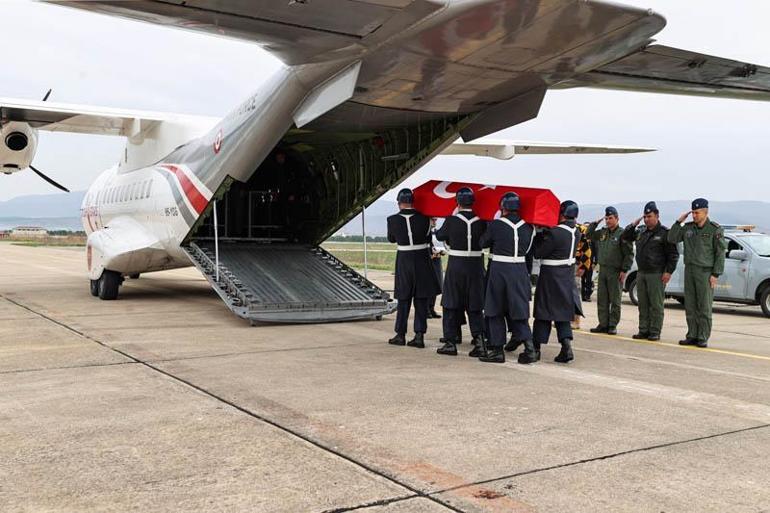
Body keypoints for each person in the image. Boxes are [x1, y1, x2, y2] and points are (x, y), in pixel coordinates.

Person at [478, 192, 536, 364]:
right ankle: (530, 348)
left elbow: (483, 243)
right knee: (519, 311)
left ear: (502, 207)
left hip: (499, 269)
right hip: (519, 269)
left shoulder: (496, 225)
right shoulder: (529, 228)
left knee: (494, 309)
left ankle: (497, 350)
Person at [668, 198, 726, 348]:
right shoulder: (687, 228)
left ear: (705, 212)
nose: (694, 215)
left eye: (697, 212)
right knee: (691, 305)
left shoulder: (714, 229)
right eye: (693, 212)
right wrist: (678, 222)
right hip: (690, 270)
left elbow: (720, 253)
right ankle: (692, 335)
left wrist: (715, 274)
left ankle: (702, 336)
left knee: (704, 306)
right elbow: (671, 238)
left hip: (705, 272)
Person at [435, 188, 486, 356]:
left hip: (456, 265)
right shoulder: (482, 221)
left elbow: (441, 235)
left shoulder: (451, 220)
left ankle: (450, 342)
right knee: (475, 305)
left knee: (450, 304)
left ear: (457, 202)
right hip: (476, 265)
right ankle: (479, 341)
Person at [531, 200, 583, 364]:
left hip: (551, 275)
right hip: (566, 275)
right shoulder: (577, 232)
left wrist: (539, 235)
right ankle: (566, 347)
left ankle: (536, 348)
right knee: (562, 314)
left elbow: (539, 253)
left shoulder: (556, 232)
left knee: (543, 311)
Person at [386, 188, 440, 348]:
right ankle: (419, 335)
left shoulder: (392, 219)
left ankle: (400, 334)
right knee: (421, 299)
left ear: (399, 203)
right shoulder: (425, 219)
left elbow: (391, 239)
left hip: (404, 260)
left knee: (403, 298)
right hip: (422, 259)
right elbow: (429, 238)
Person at [621, 201, 679, 341]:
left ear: (657, 216)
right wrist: (633, 224)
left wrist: (668, 272)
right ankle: (643, 330)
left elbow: (673, 255)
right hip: (642, 273)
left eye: (649, 216)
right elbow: (625, 236)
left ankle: (655, 331)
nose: (647, 219)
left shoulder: (665, 233)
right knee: (643, 304)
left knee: (656, 305)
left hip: (656, 273)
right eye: (645, 216)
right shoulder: (641, 231)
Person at [587, 206, 633, 335]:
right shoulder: (602, 232)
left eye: (610, 218)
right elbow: (589, 234)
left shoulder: (622, 234)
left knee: (615, 300)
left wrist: (624, 270)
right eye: (606, 218)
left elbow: (629, 254)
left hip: (615, 271)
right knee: (602, 299)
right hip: (603, 270)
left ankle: (612, 325)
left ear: (617, 218)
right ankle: (603, 324)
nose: (608, 221)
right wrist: (596, 223)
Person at [572, 223, 593, 330]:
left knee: (575, 293)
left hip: (576, 265)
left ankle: (576, 320)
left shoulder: (581, 229)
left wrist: (583, 266)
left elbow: (587, 250)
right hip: (565, 264)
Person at [428, 217, 445, 319]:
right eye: (432, 220)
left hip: (436, 260)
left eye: (435, 220)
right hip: (428, 260)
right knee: (428, 285)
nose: (434, 222)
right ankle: (426, 309)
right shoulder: (425, 231)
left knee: (436, 284)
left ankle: (431, 308)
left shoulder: (436, 232)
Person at [577, 222, 595, 302]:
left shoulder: (593, 239)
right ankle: (583, 296)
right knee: (582, 279)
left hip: (590, 263)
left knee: (588, 280)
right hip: (582, 262)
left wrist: (595, 262)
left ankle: (588, 296)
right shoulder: (581, 239)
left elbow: (596, 251)